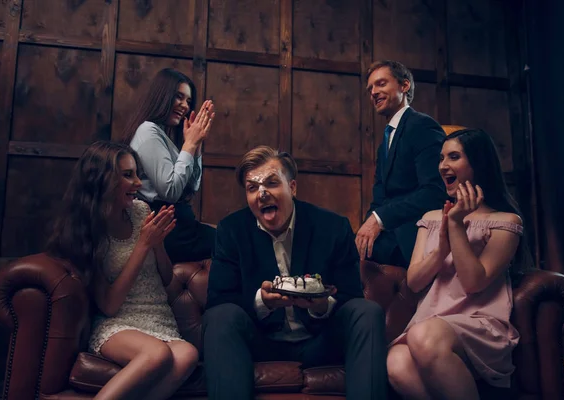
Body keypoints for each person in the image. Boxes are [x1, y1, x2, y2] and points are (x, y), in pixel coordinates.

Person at [203, 146, 388, 400]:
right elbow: (219, 300)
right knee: (220, 316)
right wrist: (262, 302)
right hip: (261, 341)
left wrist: (322, 305)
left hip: (320, 340)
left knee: (367, 311)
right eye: (252, 188)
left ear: (292, 187)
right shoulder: (231, 231)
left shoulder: (332, 227)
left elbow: (351, 295)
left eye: (271, 183)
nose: (262, 194)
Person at [47, 141, 198, 400]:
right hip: (117, 322)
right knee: (157, 354)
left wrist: (158, 244)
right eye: (128, 175)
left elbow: (166, 280)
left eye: (137, 173)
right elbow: (109, 305)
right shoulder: (90, 231)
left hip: (159, 318)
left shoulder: (141, 211)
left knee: (188, 355)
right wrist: (143, 244)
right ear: (103, 181)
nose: (139, 183)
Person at [386, 129, 529, 399]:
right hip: (429, 324)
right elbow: (415, 282)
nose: (443, 166)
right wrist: (442, 247)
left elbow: (474, 282)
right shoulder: (429, 218)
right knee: (396, 361)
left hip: (478, 324)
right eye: (441, 158)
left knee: (422, 336)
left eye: (454, 157)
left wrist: (455, 225)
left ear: (478, 164)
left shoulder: (507, 222)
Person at [356, 60, 448, 267]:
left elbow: (434, 191)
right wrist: (367, 226)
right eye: (370, 88)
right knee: (340, 244)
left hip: (413, 235)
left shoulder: (423, 126)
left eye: (381, 84)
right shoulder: (385, 141)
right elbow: (380, 197)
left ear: (404, 86)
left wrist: (379, 219)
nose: (373, 92)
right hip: (389, 232)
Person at [121, 67, 216, 263]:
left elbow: (192, 186)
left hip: (181, 226)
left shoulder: (164, 137)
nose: (184, 106)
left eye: (188, 101)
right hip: (169, 232)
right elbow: (170, 191)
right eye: (178, 97)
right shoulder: (148, 131)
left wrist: (195, 145)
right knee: (235, 239)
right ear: (162, 96)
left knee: (234, 235)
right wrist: (189, 144)